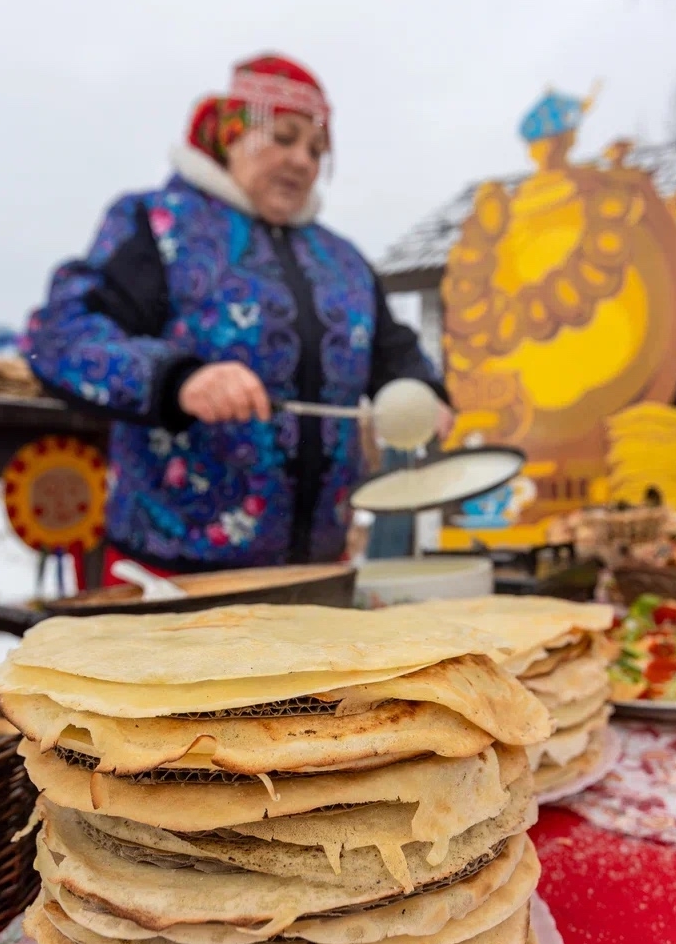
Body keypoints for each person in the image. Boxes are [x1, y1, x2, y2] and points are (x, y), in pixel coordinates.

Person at [24, 54, 452, 579]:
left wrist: (423, 392)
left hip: (317, 573)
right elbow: (61, 336)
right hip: (171, 575)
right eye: (284, 138)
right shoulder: (158, 224)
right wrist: (179, 379)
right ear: (230, 136)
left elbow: (393, 353)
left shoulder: (343, 261)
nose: (302, 161)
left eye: (316, 150)